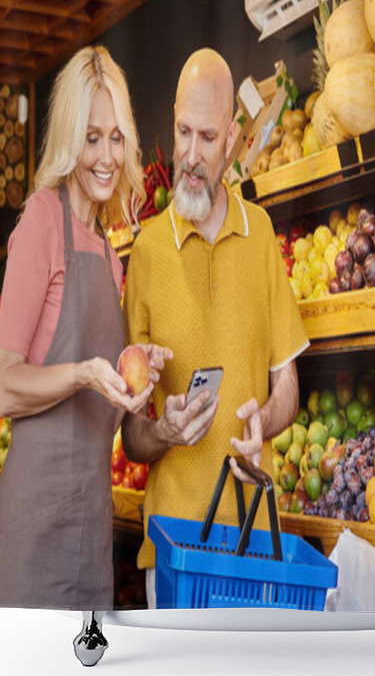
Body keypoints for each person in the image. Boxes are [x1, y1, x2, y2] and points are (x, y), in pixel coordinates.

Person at [0, 46, 170, 611]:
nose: (107, 155)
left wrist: (139, 388)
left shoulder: (112, 259)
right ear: (69, 140)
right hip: (34, 527)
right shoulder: (42, 219)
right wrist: (87, 373)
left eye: (116, 137)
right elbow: (5, 388)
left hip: (91, 534)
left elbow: (109, 423)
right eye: (92, 137)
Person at [121, 48, 309, 608]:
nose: (192, 155)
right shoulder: (148, 253)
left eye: (208, 138)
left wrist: (264, 420)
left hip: (254, 546)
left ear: (231, 138)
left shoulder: (262, 235)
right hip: (174, 551)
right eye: (183, 133)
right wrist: (164, 432)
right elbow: (130, 435)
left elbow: (288, 388)